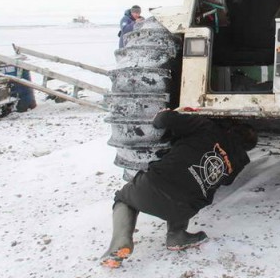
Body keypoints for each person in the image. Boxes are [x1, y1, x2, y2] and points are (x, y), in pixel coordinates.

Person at [101, 110, 258, 268]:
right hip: (185, 209)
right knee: (193, 185)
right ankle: (177, 235)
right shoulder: (236, 164)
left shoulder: (207, 127)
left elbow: (162, 119)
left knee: (123, 199)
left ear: (231, 129)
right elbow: (227, 182)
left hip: (153, 187)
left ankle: (120, 242)